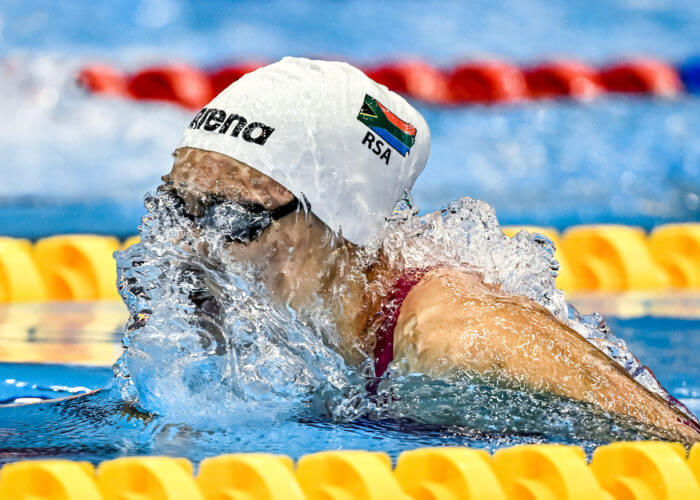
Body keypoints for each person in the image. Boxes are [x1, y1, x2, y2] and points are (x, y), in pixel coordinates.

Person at [160, 57, 699, 443]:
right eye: (178, 207)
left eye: (232, 217)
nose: (190, 245)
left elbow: (682, 451)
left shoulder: (459, 339)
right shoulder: (293, 318)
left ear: (341, 223)